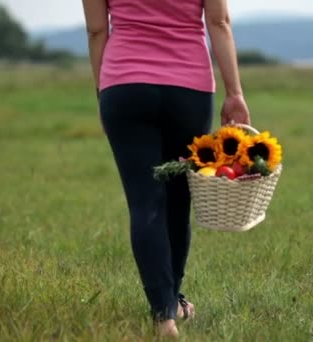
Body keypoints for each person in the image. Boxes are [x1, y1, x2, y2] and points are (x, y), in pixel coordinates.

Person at [82, 0, 250, 337]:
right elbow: (219, 22)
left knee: (145, 202)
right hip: (189, 90)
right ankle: (171, 300)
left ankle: (164, 316)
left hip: (125, 87)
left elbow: (97, 29)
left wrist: (103, 93)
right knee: (178, 202)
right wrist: (235, 93)